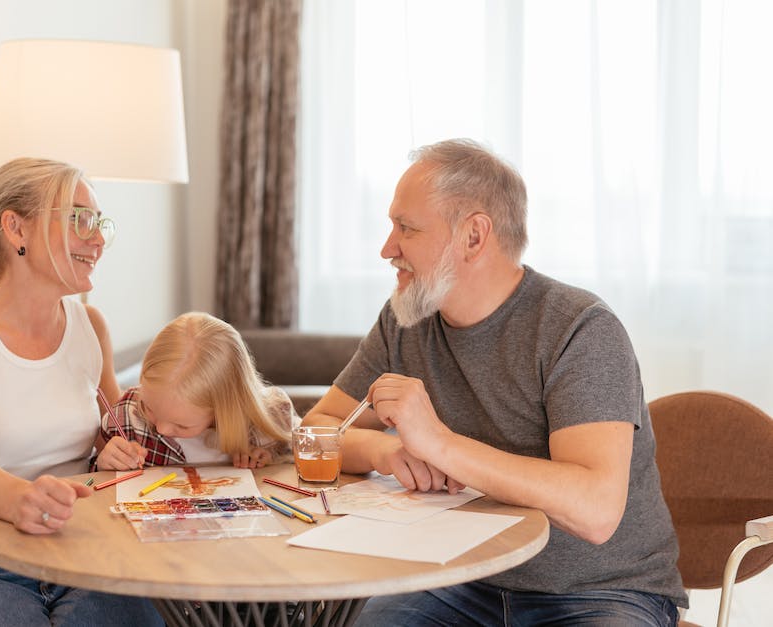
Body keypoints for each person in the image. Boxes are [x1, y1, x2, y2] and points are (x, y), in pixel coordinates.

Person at [304, 139, 687, 625]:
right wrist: (386, 452)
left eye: (407, 228)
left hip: (599, 592)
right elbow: (319, 430)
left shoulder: (579, 329)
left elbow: (595, 510)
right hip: (457, 580)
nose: (388, 248)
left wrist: (440, 444)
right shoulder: (407, 320)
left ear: (474, 236)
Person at [0, 157, 163, 626]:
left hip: (90, 548)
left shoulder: (91, 327)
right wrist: (18, 499)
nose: (98, 240)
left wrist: (113, 449)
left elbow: (111, 431)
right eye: (79, 220)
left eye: (99, 223)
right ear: (16, 228)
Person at [93, 311, 298, 471]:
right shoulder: (127, 417)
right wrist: (104, 463)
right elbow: (93, 483)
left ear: (223, 407)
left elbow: (296, 467)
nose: (162, 429)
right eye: (149, 407)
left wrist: (269, 459)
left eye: (182, 425)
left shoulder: (271, 418)